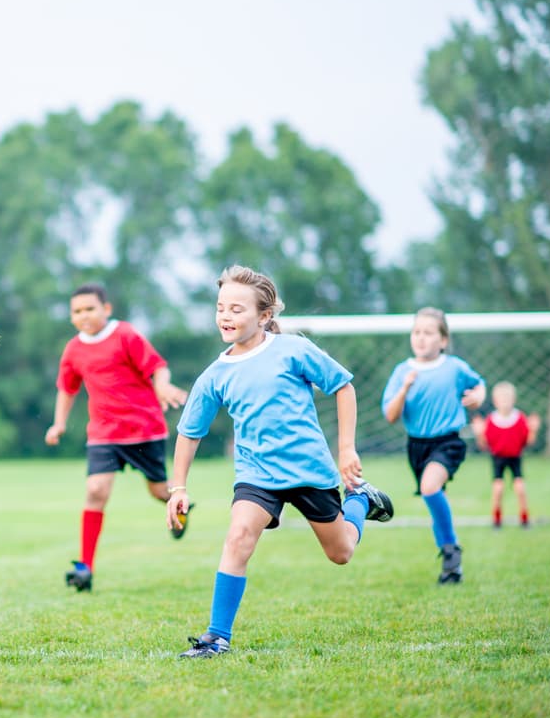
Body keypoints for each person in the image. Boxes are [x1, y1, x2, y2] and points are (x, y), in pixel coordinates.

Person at [166, 265, 393, 659]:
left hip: (310, 472)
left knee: (341, 554)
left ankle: (360, 501)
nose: (225, 316)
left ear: (264, 315)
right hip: (257, 476)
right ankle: (217, 637)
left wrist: (346, 449)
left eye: (237, 309)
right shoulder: (216, 375)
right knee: (238, 537)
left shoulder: (293, 349)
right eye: (221, 308)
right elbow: (189, 432)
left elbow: (343, 386)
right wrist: (178, 488)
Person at [44, 283, 189, 593]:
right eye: (77, 311)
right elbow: (67, 388)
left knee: (159, 490)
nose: (83, 315)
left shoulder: (125, 335)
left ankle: (178, 506)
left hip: (144, 429)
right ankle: (85, 567)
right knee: (96, 490)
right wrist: (58, 424)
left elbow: (157, 367)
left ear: (106, 309)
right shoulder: (73, 349)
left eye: (89, 309)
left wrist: (162, 386)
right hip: (104, 433)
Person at [382, 307, 485, 584]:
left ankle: (451, 550)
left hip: (448, 442)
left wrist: (478, 396)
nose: (421, 338)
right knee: (433, 496)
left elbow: (479, 384)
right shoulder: (402, 371)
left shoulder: (454, 367)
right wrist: (404, 389)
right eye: (417, 332)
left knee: (430, 487)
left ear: (443, 340)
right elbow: (391, 415)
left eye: (429, 333)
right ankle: (451, 563)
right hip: (416, 446)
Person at [470, 381, 540, 529]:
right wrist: (479, 433)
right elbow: (484, 445)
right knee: (498, 489)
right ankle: (496, 519)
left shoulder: (519, 419)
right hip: (498, 458)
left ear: (513, 400)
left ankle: (524, 518)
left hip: (515, 457)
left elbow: (528, 442)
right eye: (501, 399)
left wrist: (533, 430)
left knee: (520, 488)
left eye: (507, 399)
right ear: (495, 401)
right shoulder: (491, 421)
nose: (504, 403)